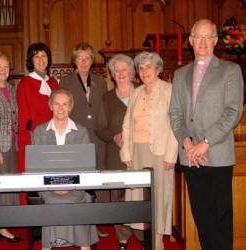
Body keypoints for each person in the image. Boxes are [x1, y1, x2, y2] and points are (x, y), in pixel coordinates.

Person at [168, 19, 244, 250]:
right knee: (201, 217)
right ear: (190, 41)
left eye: (207, 37)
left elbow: (233, 112)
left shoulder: (230, 70)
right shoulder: (181, 74)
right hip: (191, 156)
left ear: (215, 40)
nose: (202, 42)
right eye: (198, 37)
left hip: (217, 153)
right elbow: (175, 114)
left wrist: (206, 142)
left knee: (220, 217)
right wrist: (188, 143)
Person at [120, 51, 178, 250]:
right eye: (141, 68)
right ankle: (148, 237)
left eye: (148, 67)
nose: (144, 71)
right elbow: (127, 124)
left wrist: (171, 155)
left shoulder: (169, 90)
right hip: (138, 151)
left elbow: (175, 125)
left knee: (160, 196)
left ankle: (158, 241)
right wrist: (126, 152)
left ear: (158, 69)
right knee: (139, 197)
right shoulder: (135, 93)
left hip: (160, 152)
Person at [32, 88, 99, 250]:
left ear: (70, 107)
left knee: (80, 199)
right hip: (48, 186)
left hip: (75, 185)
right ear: (50, 106)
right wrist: (54, 184)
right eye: (56, 104)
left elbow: (87, 166)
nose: (60, 108)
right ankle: (48, 246)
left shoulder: (81, 131)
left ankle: (84, 246)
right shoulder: (40, 131)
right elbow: (36, 166)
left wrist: (69, 184)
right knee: (52, 200)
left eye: (64, 104)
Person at [59, 43, 109, 237]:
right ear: (74, 61)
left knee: (97, 180)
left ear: (92, 60)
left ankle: (96, 222)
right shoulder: (65, 82)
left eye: (87, 58)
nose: (83, 62)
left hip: (97, 138)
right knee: (78, 180)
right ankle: (77, 221)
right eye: (80, 58)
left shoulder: (101, 82)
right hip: (76, 138)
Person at [94, 54, 138, 249]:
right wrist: (114, 136)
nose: (120, 73)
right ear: (112, 74)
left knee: (142, 195)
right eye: (116, 70)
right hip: (116, 155)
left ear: (132, 72)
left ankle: (144, 234)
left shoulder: (143, 92)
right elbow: (100, 127)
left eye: (124, 69)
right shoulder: (107, 98)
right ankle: (122, 238)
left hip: (142, 153)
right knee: (119, 197)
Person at [0, 51, 23, 247]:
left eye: (6, 66)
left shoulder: (11, 88)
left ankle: (2, 227)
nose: (3, 70)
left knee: (7, 189)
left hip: (11, 146)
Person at [16, 43, 58, 204]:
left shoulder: (54, 83)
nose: (41, 60)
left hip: (54, 141)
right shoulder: (25, 84)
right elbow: (24, 117)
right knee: (34, 187)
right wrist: (28, 143)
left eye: (44, 55)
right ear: (31, 60)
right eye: (36, 56)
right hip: (34, 143)